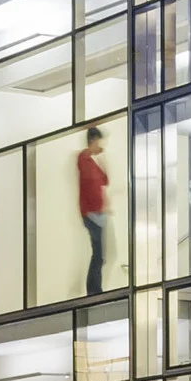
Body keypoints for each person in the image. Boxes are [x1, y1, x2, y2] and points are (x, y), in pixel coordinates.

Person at [77, 126, 109, 294]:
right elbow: (92, 183)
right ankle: (94, 289)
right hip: (91, 213)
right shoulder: (83, 159)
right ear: (93, 141)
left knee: (99, 254)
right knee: (98, 254)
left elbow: (105, 180)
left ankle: (95, 288)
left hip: (97, 213)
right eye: (98, 142)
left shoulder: (91, 162)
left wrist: (101, 158)